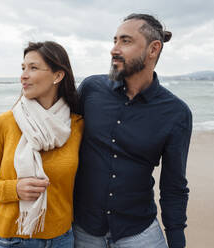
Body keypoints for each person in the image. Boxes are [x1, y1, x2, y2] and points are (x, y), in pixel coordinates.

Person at [73, 13, 192, 248]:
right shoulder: (90, 89)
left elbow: (174, 185)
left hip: (139, 232)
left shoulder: (177, 113)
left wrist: (177, 239)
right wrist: (10, 135)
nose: (114, 49)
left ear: (153, 49)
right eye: (114, 40)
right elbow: (56, 129)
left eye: (125, 41)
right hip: (83, 230)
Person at [0, 41, 84, 248]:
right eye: (23, 68)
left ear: (58, 76)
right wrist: (14, 189)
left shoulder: (77, 126)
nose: (23, 75)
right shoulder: (4, 123)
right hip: (13, 239)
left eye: (33, 68)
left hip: (62, 239)